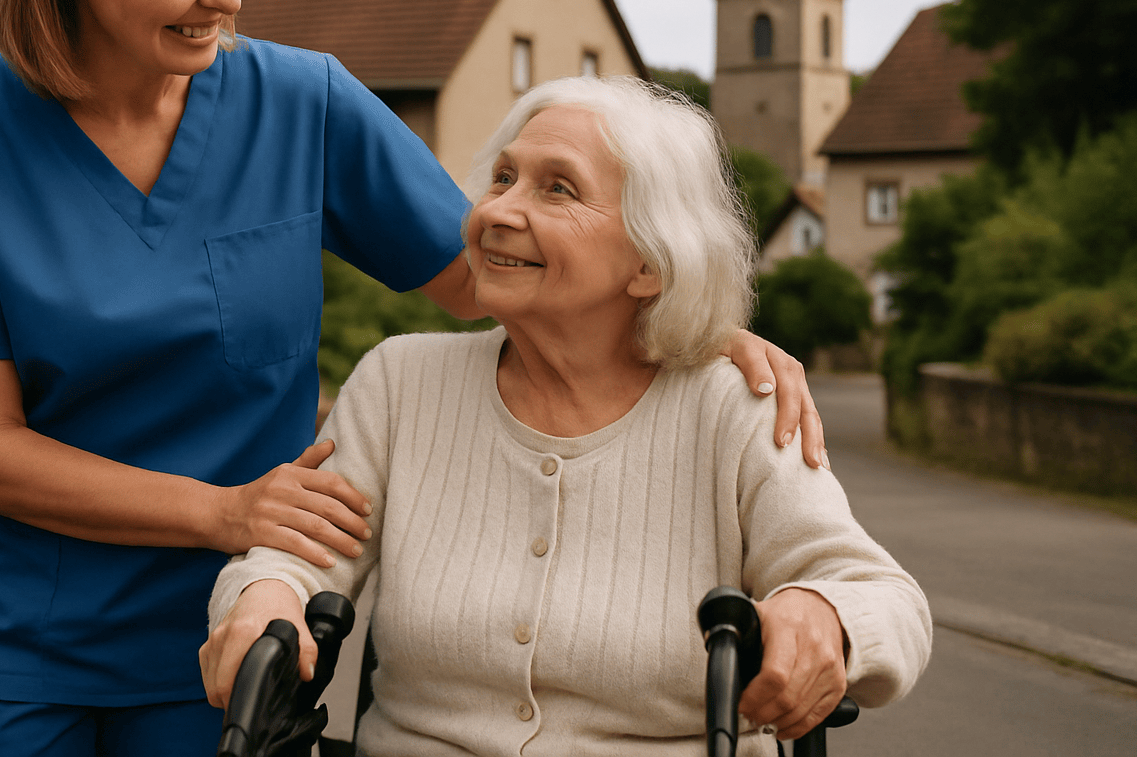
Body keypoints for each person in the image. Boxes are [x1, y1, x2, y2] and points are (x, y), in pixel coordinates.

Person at [0, 0, 828, 757]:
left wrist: (688, 321)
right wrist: (222, 510)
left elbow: (492, 269)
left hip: (238, 638)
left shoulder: (302, 104)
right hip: (12, 648)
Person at [203, 76, 931, 756]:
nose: (496, 212)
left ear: (649, 261)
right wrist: (264, 595)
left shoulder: (733, 407)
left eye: (558, 190)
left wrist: (822, 618)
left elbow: (884, 600)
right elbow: (292, 554)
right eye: (501, 178)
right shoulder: (400, 384)